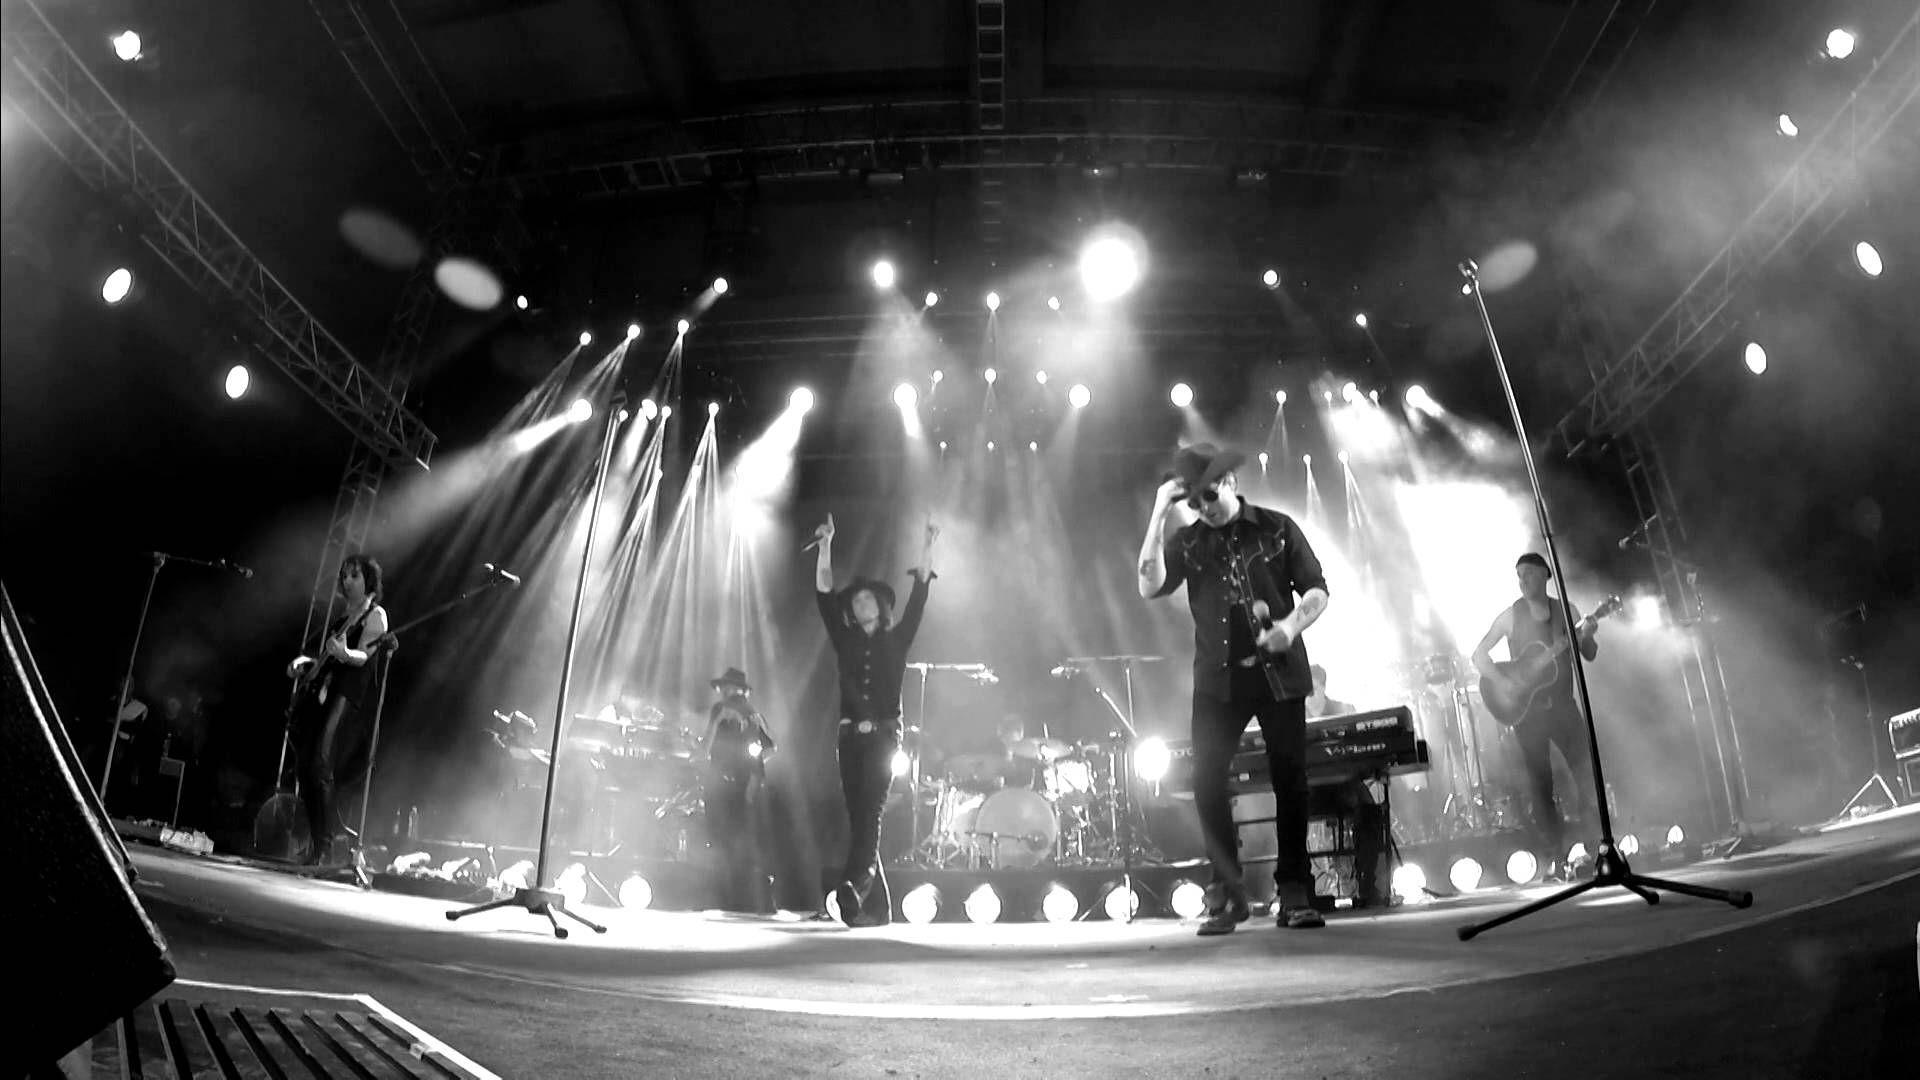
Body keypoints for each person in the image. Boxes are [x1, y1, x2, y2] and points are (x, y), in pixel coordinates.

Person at [1138, 443, 1331, 934]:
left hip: (1277, 673)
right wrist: (1160, 511)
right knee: (1206, 782)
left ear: (1230, 484)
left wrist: (1290, 626)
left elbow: (1317, 589)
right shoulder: (1188, 542)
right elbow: (1148, 585)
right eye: (1192, 502)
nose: (1202, 508)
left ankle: (1294, 891)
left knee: (1290, 779)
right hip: (1218, 680)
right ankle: (1228, 892)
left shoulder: (1276, 528)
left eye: (1208, 496)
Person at [811, 513, 938, 927]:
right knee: (860, 818)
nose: (859, 604)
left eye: (867, 599)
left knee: (870, 815)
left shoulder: (896, 639)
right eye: (856, 601)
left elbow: (919, 595)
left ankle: (851, 888)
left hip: (883, 739)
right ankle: (879, 909)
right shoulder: (845, 638)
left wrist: (927, 546)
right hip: (849, 740)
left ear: (881, 606)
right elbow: (825, 594)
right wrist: (826, 546)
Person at [1471, 552, 1600, 869]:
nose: (1523, 580)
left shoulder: (1567, 611)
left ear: (1545, 574)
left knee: (1586, 775)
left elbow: (1589, 654)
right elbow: (1479, 656)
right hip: (1529, 715)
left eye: (1528, 573)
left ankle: (1597, 847)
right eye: (1519, 575)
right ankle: (1555, 857)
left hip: (1564, 708)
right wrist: (1504, 682)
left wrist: (1587, 635)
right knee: (1541, 786)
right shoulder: (1511, 617)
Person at [284, 554, 390, 867]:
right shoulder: (342, 617)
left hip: (348, 695)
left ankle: (327, 847)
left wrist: (344, 652)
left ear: (368, 580)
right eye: (344, 575)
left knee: (320, 762)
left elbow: (364, 656)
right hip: (326, 692)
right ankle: (318, 844)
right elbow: (326, 660)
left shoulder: (375, 614)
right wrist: (305, 665)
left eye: (354, 575)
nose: (347, 581)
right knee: (305, 767)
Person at [701, 667, 777, 912]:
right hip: (749, 783)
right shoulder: (754, 713)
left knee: (721, 839)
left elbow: (705, 747)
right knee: (743, 839)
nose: (723, 691)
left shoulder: (721, 709)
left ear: (734, 689)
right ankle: (750, 898)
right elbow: (771, 748)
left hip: (724, 782)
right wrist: (752, 763)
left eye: (726, 687)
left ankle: (724, 897)